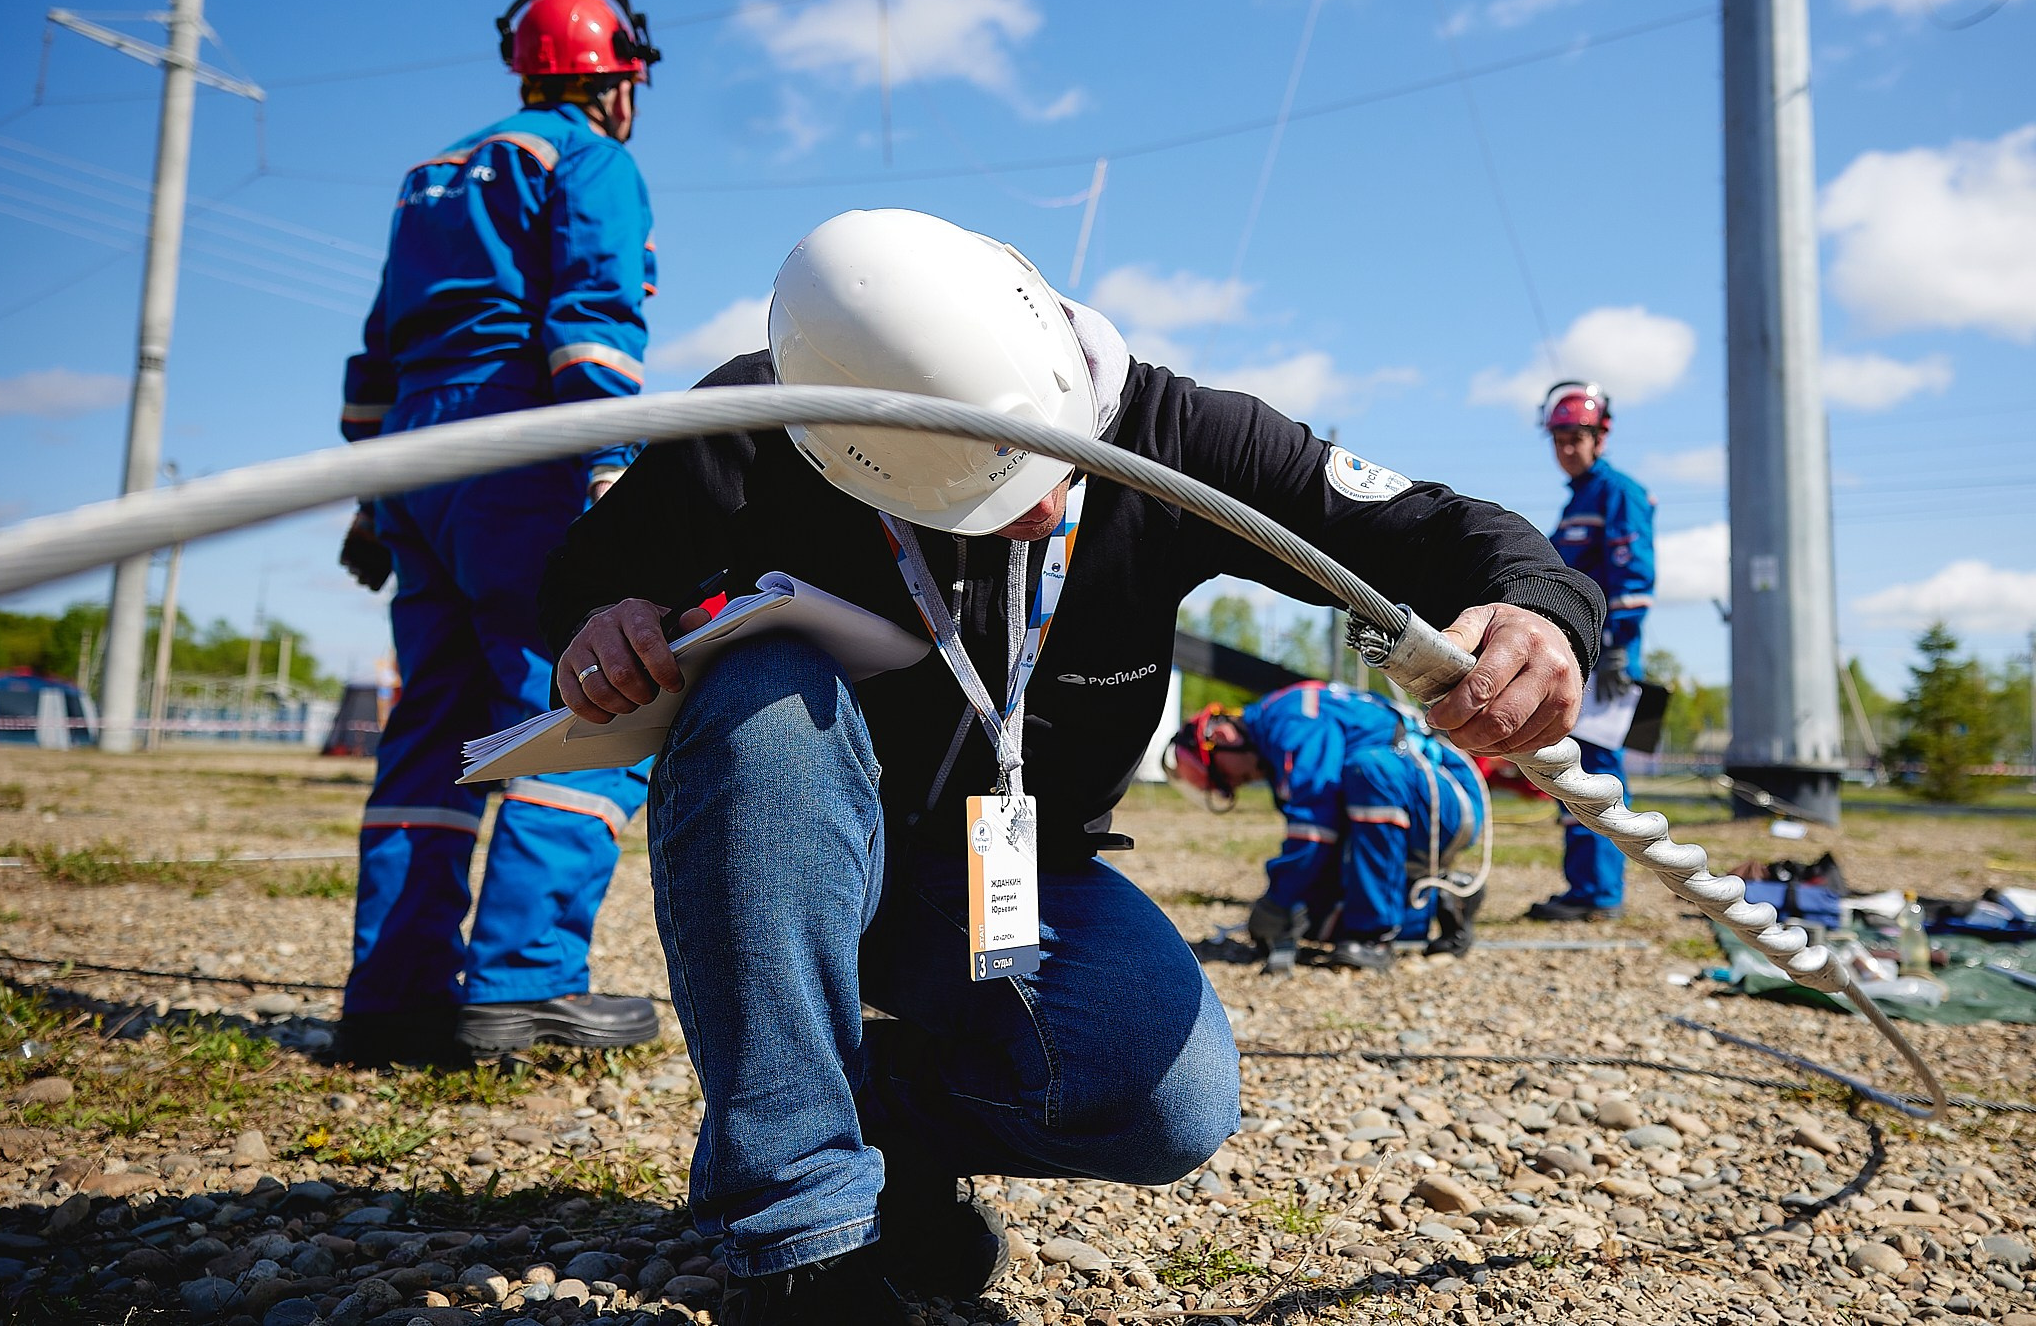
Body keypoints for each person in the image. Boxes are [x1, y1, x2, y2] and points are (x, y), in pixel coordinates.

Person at [537, 208, 1603, 1323]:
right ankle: (798, 1235)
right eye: (976, 501)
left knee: (1166, 1098)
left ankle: (870, 1131)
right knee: (761, 697)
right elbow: (579, 578)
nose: (1041, 511)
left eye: (1045, 464)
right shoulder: (749, 424)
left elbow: (1435, 527)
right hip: (797, 846)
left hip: (1010, 872)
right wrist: (596, 622)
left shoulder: (1181, 434)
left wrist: (1542, 613)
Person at [331, 0, 666, 1065]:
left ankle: (393, 999)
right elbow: (592, 326)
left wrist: (374, 499)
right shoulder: (587, 160)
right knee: (577, 705)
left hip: (417, 466)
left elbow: (380, 350)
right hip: (520, 452)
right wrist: (614, 467)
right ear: (613, 71)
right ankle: (523, 986)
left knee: (432, 728)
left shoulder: (429, 179)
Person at [1168, 684, 1488, 974]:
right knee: (1315, 919)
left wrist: (1278, 900)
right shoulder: (1276, 735)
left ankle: (1372, 938)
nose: (1230, 787)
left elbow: (1313, 829)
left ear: (1223, 737)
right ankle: (1443, 901)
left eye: (1221, 776)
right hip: (1411, 799)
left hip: (1448, 800)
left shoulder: (1292, 721)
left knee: (1369, 769)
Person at [1528, 380, 1655, 923]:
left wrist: (1621, 647)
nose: (1566, 448)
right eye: (1558, 438)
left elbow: (1634, 576)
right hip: (1581, 659)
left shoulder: (1618, 493)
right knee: (1573, 768)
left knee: (1597, 770)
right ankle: (1585, 887)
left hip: (1608, 659)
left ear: (1600, 437)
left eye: (1576, 437)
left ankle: (1600, 894)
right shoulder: (1578, 499)